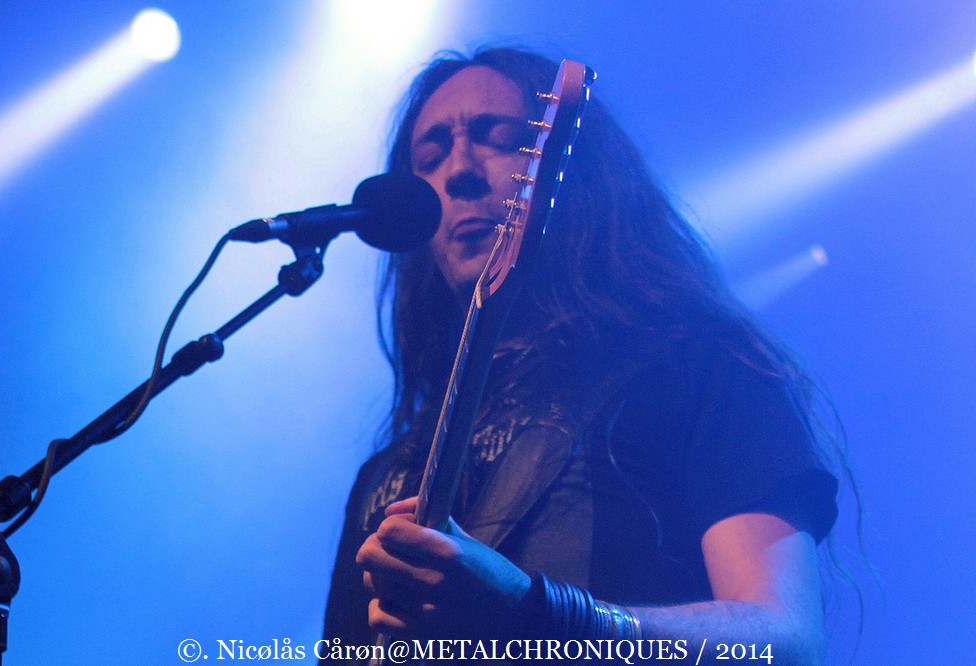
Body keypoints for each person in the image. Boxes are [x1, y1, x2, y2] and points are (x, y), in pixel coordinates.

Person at [321, 47, 838, 664]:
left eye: (499, 138)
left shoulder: (697, 366)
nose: (458, 172)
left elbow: (784, 641)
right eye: (429, 159)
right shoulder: (389, 471)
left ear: (570, 168)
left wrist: (534, 613)